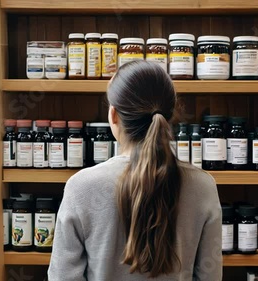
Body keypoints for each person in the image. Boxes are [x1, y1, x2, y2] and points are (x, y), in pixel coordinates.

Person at [48, 61, 222, 281]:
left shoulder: (81, 186)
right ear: (168, 117)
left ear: (113, 116)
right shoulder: (203, 186)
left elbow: (63, 277)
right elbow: (210, 276)